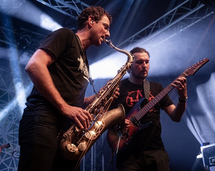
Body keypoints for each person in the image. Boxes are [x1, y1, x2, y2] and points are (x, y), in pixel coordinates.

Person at [18, 6, 113, 171]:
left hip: (65, 131)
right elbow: (34, 65)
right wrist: (64, 107)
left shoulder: (84, 59)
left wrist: (96, 99)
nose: (108, 33)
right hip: (43, 118)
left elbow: (71, 101)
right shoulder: (66, 35)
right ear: (91, 21)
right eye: (105, 26)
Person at [108, 47, 187, 171]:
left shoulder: (156, 88)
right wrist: (119, 123)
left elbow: (176, 117)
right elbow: (106, 118)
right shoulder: (119, 87)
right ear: (129, 66)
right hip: (128, 155)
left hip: (156, 152)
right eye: (139, 62)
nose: (144, 65)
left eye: (147, 62)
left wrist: (183, 98)